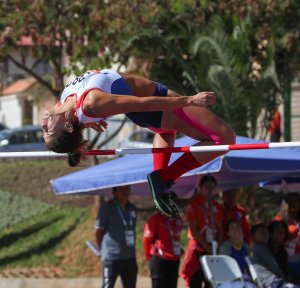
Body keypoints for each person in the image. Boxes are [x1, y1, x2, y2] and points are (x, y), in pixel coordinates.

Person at [41, 69, 235, 218]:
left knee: (166, 132)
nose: (43, 124)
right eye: (47, 130)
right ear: (67, 127)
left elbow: (80, 110)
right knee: (224, 139)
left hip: (151, 104)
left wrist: (85, 122)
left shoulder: (65, 103)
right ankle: (164, 178)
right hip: (154, 104)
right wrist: (190, 100)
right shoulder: (91, 103)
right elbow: (145, 104)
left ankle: (161, 183)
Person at [182, 175, 223, 288]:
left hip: (213, 248)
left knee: (211, 282)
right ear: (200, 187)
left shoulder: (217, 206)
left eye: (212, 187)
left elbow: (220, 228)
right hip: (198, 249)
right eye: (207, 187)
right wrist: (206, 247)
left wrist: (217, 245)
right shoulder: (193, 204)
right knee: (195, 279)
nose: (209, 190)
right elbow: (193, 229)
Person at [95, 185, 137, 288]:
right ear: (114, 192)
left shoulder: (132, 208)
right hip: (112, 257)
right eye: (122, 189)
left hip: (129, 256)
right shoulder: (107, 208)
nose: (125, 192)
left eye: (127, 189)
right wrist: (103, 249)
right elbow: (98, 232)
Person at [143, 209, 183, 288]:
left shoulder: (177, 219)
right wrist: (149, 258)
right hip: (160, 259)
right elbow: (147, 241)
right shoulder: (155, 219)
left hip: (174, 258)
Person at [274, 193, 300, 283]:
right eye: (290, 202)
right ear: (286, 204)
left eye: (296, 201)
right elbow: (274, 240)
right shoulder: (279, 220)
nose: (294, 204)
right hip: (286, 258)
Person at [250, 223, 297, 288]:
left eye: (267, 233)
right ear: (253, 236)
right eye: (261, 233)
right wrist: (284, 279)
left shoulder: (282, 251)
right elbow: (274, 267)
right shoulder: (260, 248)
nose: (265, 235)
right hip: (270, 282)